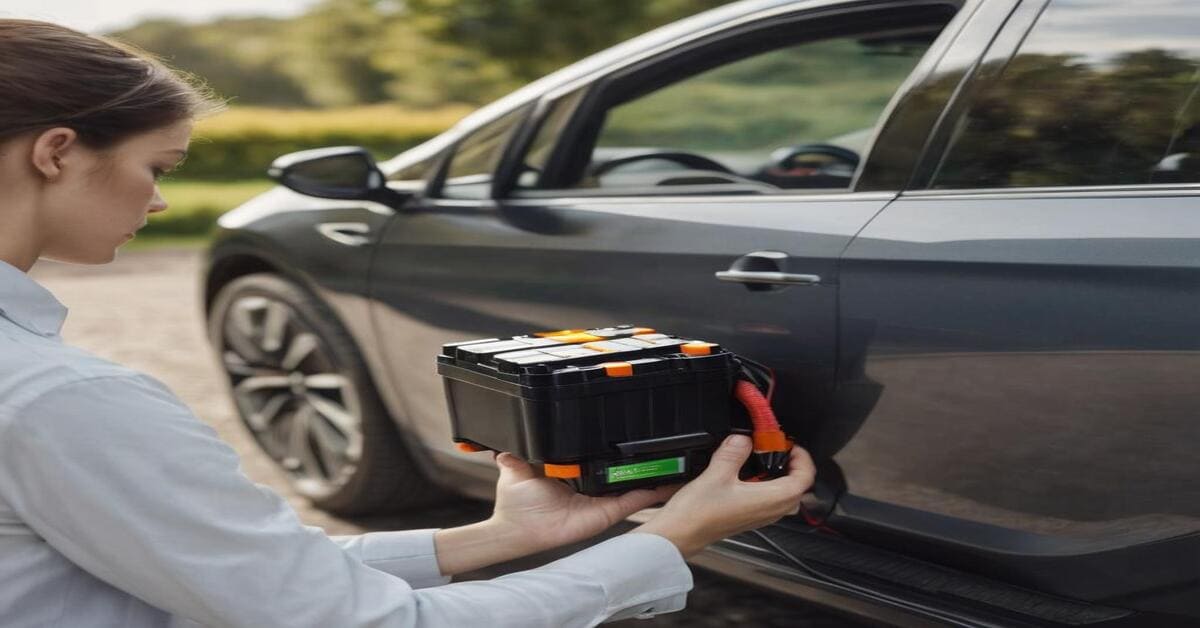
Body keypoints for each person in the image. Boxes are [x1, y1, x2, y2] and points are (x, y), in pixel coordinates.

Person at [0, 19, 816, 628]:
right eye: (158, 167)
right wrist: (669, 541)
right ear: (57, 152)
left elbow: (238, 574)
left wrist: (492, 538)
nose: (160, 199)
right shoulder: (62, 399)